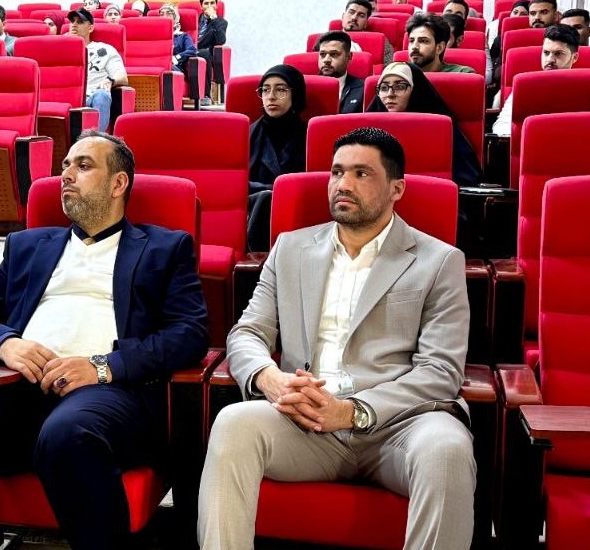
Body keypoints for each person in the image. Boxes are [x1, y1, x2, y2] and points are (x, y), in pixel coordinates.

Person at [0, 130, 209, 550]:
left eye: (83, 166)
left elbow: (189, 333)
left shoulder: (164, 248)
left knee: (68, 432)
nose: (66, 175)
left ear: (118, 183)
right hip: (16, 389)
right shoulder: (27, 246)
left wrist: (101, 367)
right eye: (65, 166)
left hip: (107, 395)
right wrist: (6, 344)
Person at [198, 126, 474, 549]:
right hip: (305, 421)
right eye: (337, 172)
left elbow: (440, 371)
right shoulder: (290, 249)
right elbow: (248, 332)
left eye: (362, 174)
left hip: (398, 425)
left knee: (448, 448)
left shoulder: (438, 261)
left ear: (397, 189)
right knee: (234, 424)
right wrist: (270, 379)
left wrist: (351, 412)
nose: (343, 184)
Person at [367, 62, 480, 186]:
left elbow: (465, 178)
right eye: (384, 88)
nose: (390, 94)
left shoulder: (439, 129)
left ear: (415, 91)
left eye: (399, 87)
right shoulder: (369, 129)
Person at [247, 65, 307, 252]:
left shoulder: (311, 135)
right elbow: (236, 186)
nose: (271, 97)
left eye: (280, 90)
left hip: (298, 210)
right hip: (252, 210)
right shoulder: (245, 135)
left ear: (295, 95)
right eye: (265, 90)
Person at [492, 24, 581, 135]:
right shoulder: (526, 86)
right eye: (546, 53)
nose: (550, 59)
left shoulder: (584, 87)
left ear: (574, 57)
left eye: (558, 54)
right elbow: (501, 125)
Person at [68, 8, 128, 132]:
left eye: (80, 22)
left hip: (91, 99)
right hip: (67, 101)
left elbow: (122, 77)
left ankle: (95, 139)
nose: (74, 25)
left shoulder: (104, 50)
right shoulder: (60, 49)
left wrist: (110, 80)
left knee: (102, 94)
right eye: (72, 21)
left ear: (90, 28)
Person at [406, 13, 475, 73]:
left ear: (439, 48)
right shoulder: (401, 73)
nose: (414, 46)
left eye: (423, 41)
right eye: (411, 41)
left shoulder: (462, 74)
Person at [315, 31, 364, 114]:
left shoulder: (363, 89)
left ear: (349, 57)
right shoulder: (307, 87)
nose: (326, 60)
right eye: (322, 54)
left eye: (334, 54)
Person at [341, 0, 394, 65]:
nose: (354, 18)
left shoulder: (381, 42)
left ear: (366, 23)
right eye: (351, 12)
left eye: (361, 15)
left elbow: (389, 68)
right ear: (343, 16)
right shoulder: (329, 39)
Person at [197, 0, 228, 106]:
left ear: (216, 5)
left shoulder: (221, 22)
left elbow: (221, 40)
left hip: (206, 54)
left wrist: (214, 18)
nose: (209, 6)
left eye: (212, 3)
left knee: (204, 53)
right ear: (201, 6)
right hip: (189, 50)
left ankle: (205, 95)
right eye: (206, 3)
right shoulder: (193, 20)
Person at [158, 4, 195, 72]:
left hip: (174, 68)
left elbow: (192, 50)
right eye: (162, 14)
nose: (165, 17)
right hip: (157, 66)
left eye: (169, 14)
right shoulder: (155, 36)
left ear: (175, 17)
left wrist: (175, 58)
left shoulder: (183, 36)